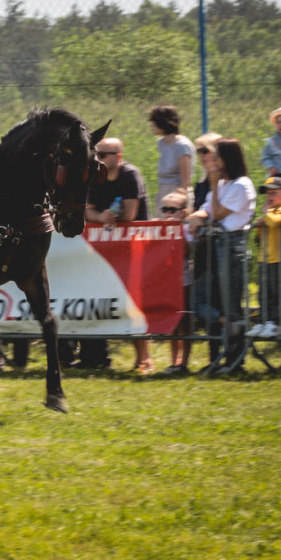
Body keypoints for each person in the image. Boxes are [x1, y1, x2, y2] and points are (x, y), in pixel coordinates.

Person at [79, 137, 152, 372]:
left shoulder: (130, 175)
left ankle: (144, 358)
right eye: (95, 154)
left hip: (133, 250)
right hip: (102, 250)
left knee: (132, 304)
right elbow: (87, 210)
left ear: (118, 157)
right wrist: (101, 217)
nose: (96, 158)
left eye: (102, 154)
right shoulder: (93, 175)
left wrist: (108, 217)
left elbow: (130, 214)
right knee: (98, 301)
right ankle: (96, 357)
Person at [187, 138, 256, 373]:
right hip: (217, 245)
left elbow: (216, 213)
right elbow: (206, 209)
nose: (212, 161)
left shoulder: (241, 185)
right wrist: (196, 217)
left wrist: (214, 185)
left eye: (217, 157)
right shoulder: (225, 184)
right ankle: (219, 354)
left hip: (232, 247)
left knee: (231, 305)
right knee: (206, 300)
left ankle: (235, 361)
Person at [247, 177, 281, 339]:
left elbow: (274, 223)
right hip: (265, 259)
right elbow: (262, 234)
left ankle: (274, 322)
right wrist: (262, 220)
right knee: (263, 293)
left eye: (274, 193)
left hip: (280, 259)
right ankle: (262, 321)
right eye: (268, 193)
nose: (269, 196)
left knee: (277, 293)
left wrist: (265, 214)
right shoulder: (269, 213)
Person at [159, 191, 193, 374]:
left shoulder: (186, 228)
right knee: (171, 324)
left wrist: (177, 230)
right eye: (165, 209)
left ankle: (184, 363)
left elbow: (188, 250)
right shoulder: (161, 227)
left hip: (184, 281)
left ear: (184, 212)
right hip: (167, 282)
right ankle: (174, 361)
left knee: (185, 323)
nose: (168, 213)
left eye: (172, 209)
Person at [150, 104, 195, 212]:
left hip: (177, 195)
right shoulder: (161, 143)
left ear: (164, 122)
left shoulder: (182, 145)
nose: (151, 125)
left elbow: (185, 182)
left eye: (154, 121)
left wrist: (178, 204)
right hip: (163, 192)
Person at [192, 132, 223, 213]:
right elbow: (194, 212)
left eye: (205, 150)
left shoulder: (227, 182)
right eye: (198, 151)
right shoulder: (201, 184)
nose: (201, 155)